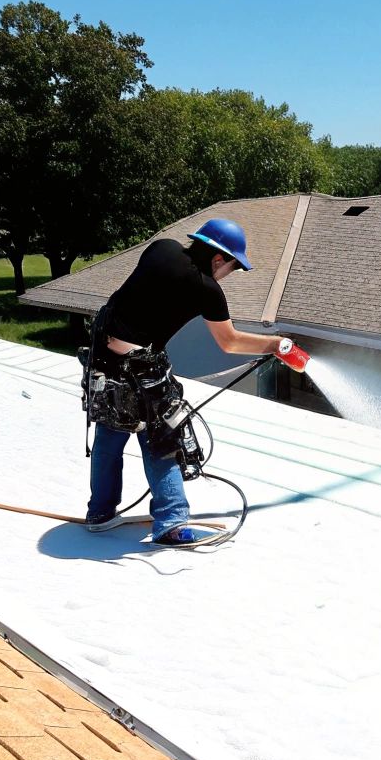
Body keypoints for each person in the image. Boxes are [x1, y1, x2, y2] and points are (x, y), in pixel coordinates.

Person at [84, 219, 285, 544]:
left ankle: (100, 513)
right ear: (219, 259)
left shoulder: (161, 248)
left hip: (102, 357)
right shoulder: (206, 289)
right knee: (162, 439)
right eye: (232, 268)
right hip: (141, 367)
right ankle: (171, 523)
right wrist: (273, 345)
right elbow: (230, 342)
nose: (228, 275)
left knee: (110, 433)